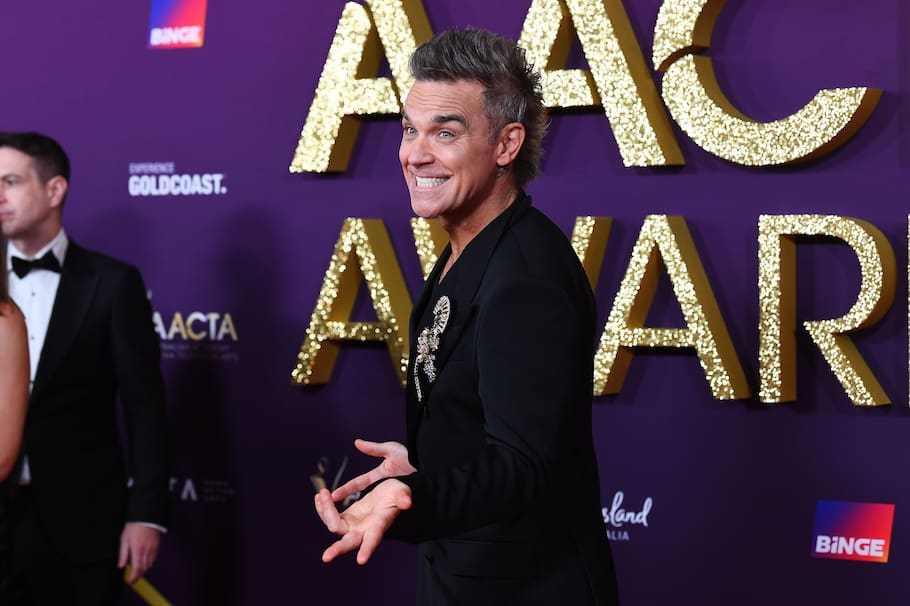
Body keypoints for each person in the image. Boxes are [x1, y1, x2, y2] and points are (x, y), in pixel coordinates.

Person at [314, 28, 618, 605]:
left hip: (526, 589)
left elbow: (523, 465)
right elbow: (485, 421)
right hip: (467, 576)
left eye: (445, 133)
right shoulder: (470, 248)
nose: (415, 154)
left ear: (506, 145)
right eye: (409, 130)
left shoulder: (527, 274)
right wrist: (422, 464)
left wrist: (414, 499)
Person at [0, 132, 169, 605]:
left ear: (55, 190)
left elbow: (145, 409)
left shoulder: (113, 284)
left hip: (83, 521)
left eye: (10, 181)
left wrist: (147, 514)